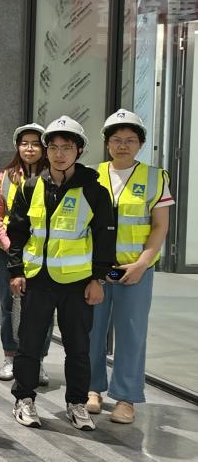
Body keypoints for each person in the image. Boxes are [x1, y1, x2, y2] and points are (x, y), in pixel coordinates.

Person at [8, 116, 113, 431]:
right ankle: (24, 398)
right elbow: (17, 233)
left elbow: (105, 239)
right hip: (37, 279)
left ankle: (77, 403)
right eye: (53, 147)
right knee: (29, 344)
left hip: (77, 283)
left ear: (78, 150)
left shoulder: (94, 191)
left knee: (78, 348)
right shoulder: (30, 187)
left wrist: (97, 279)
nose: (58, 154)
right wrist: (16, 271)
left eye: (66, 147)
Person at [88, 109, 173, 425]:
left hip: (135, 269)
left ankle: (126, 398)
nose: (123, 145)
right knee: (91, 330)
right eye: (116, 140)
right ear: (107, 143)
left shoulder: (155, 178)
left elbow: (160, 226)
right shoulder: (91, 175)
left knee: (131, 333)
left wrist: (142, 263)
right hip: (99, 270)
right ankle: (92, 389)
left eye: (130, 140)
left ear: (140, 144)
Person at [0, 123, 50, 382]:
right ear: (17, 147)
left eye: (35, 144)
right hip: (8, 252)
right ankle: (10, 357)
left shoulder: (52, 176)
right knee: (9, 305)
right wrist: (8, 244)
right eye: (24, 143)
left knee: (42, 308)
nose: (30, 148)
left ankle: (38, 360)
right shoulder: (5, 177)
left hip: (42, 253)